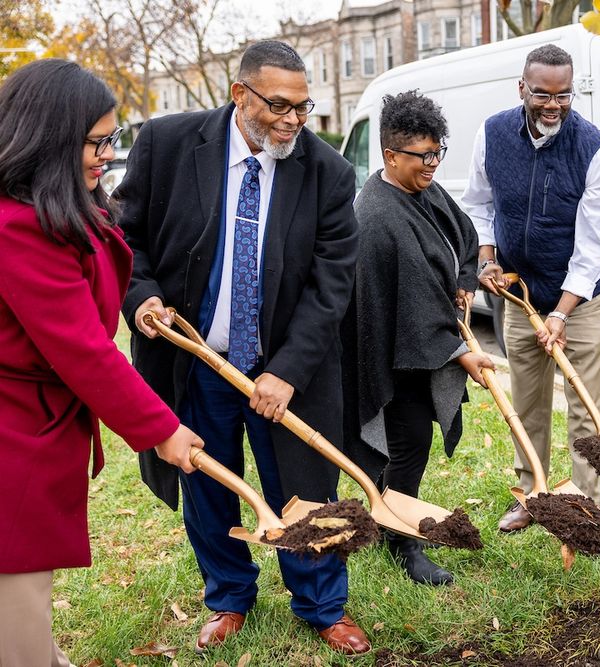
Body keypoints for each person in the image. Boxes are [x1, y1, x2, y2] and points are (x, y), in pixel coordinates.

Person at [117, 41, 369, 655]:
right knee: (210, 479)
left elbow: (332, 280)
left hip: (288, 366)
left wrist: (286, 370)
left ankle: (321, 605)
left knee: (306, 485)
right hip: (198, 357)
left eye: (302, 107)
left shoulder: (326, 171)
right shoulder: (169, 146)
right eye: (277, 105)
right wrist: (143, 297)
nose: (291, 120)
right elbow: (123, 240)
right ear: (240, 94)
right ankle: (229, 596)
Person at [0, 59, 200, 666]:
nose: (106, 155)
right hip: (13, 433)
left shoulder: (58, 210)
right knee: (17, 588)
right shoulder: (18, 229)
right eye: (95, 141)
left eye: (111, 139)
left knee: (26, 591)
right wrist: (162, 428)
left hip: (37, 422)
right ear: (50, 138)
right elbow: (84, 349)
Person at [462, 44, 600, 532]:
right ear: (522, 89)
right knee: (527, 402)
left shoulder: (597, 150)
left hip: (583, 301)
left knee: (581, 407)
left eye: (563, 95)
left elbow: (592, 246)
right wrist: (487, 259)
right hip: (519, 295)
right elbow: (478, 204)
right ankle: (533, 494)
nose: (553, 105)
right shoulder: (492, 134)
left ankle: (582, 507)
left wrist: (563, 312)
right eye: (542, 94)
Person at [346, 90, 493, 585]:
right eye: (422, 156)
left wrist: (464, 282)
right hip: (394, 354)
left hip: (422, 346)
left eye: (437, 153)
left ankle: (387, 526)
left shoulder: (424, 190)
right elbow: (406, 301)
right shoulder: (377, 215)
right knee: (408, 444)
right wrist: (458, 353)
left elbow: (464, 237)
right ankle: (404, 543)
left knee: (412, 442)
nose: (432, 164)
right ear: (391, 155)